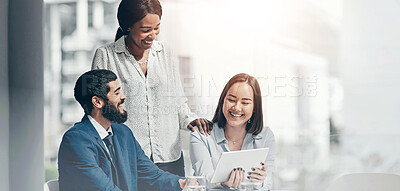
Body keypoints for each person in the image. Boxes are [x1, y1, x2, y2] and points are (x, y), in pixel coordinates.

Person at [92, 0, 210, 178]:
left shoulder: (166, 53)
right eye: (146, 29)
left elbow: (178, 101)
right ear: (128, 27)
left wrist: (190, 120)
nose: (153, 35)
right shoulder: (106, 56)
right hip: (127, 158)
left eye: (157, 28)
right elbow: (98, 110)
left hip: (169, 157)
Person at [58, 70, 187, 191]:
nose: (123, 97)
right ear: (97, 102)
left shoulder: (123, 133)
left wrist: (182, 183)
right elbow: (104, 189)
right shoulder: (76, 140)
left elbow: (152, 175)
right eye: (117, 92)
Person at [190, 73, 276, 190]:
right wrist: (223, 183)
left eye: (245, 102)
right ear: (222, 101)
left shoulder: (265, 136)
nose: (236, 108)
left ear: (255, 107)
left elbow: (268, 183)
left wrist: (261, 182)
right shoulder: (201, 135)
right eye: (231, 100)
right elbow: (203, 180)